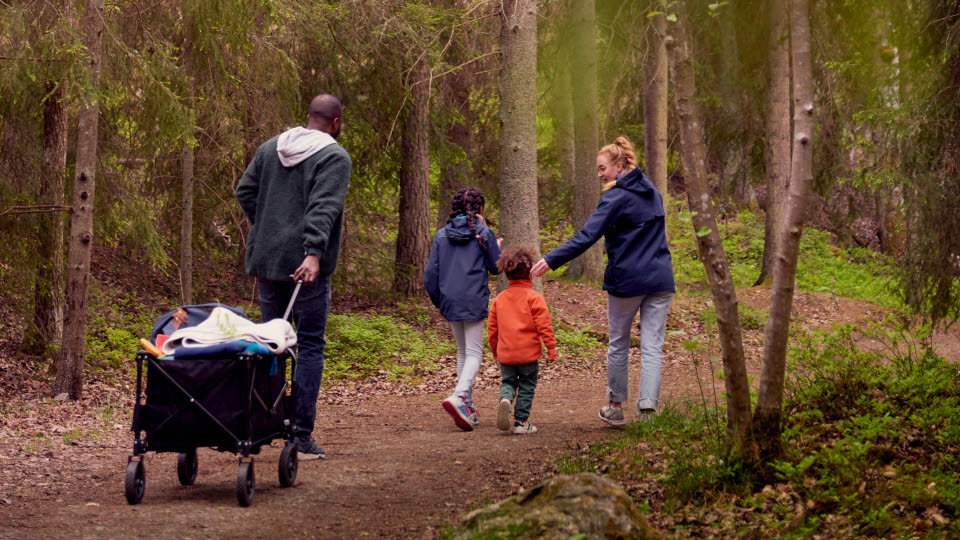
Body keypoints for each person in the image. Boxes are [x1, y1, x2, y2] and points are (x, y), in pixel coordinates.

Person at [235, 94, 352, 459]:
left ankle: (262, 426)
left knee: (272, 343)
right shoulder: (334, 156)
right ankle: (300, 437)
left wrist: (269, 230)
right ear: (335, 123)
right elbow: (324, 207)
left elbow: (245, 191)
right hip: (305, 265)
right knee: (310, 344)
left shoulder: (271, 148)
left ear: (307, 118)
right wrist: (313, 252)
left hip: (268, 260)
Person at [530, 136, 674, 427]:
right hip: (660, 279)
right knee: (652, 347)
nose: (599, 174)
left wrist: (552, 259)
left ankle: (616, 407)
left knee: (619, 343)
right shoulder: (653, 192)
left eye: (602, 168)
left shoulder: (616, 197)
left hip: (628, 281)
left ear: (619, 166)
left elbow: (587, 237)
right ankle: (647, 410)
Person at [424, 187, 502, 431]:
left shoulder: (441, 235)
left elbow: (429, 277)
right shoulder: (483, 233)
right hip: (474, 300)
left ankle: (466, 407)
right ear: (480, 209)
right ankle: (459, 396)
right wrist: (496, 246)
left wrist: (440, 301)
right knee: (474, 353)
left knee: (462, 353)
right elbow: (496, 267)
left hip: (450, 301)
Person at [488, 246, 556, 434]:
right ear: (530, 275)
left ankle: (506, 399)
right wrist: (551, 348)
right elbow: (544, 325)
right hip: (528, 354)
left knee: (508, 381)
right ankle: (520, 423)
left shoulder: (499, 299)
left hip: (506, 354)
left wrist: (495, 349)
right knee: (527, 384)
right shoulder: (534, 298)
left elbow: (492, 329)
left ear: (507, 275)